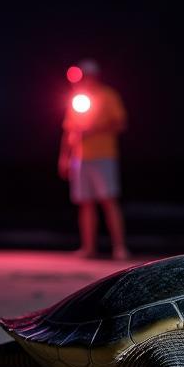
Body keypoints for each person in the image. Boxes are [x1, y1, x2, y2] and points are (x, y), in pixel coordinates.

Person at [58, 59, 129, 259]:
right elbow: (69, 130)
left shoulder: (108, 95)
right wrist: (65, 157)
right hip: (80, 157)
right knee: (85, 202)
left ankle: (119, 247)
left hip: (104, 155)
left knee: (108, 200)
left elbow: (120, 123)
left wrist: (94, 129)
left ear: (93, 76)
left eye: (84, 75)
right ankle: (88, 247)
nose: (81, 80)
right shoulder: (75, 98)